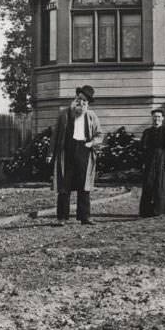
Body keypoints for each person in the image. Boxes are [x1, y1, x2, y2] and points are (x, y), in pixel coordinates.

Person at [49, 85, 103, 225]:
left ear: (88, 104)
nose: (81, 103)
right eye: (79, 99)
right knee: (64, 186)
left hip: (84, 151)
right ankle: (62, 218)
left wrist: (91, 144)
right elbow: (55, 135)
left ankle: (85, 217)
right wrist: (50, 153)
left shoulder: (91, 116)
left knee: (83, 186)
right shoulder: (64, 114)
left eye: (85, 101)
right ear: (75, 99)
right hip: (66, 152)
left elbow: (99, 135)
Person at [139, 108, 165, 217]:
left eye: (159, 117)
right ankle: (147, 211)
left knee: (161, 184)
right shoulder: (147, 131)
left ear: (163, 118)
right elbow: (143, 148)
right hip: (150, 160)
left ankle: (160, 210)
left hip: (162, 158)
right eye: (155, 117)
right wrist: (143, 161)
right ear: (152, 118)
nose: (157, 119)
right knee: (148, 184)